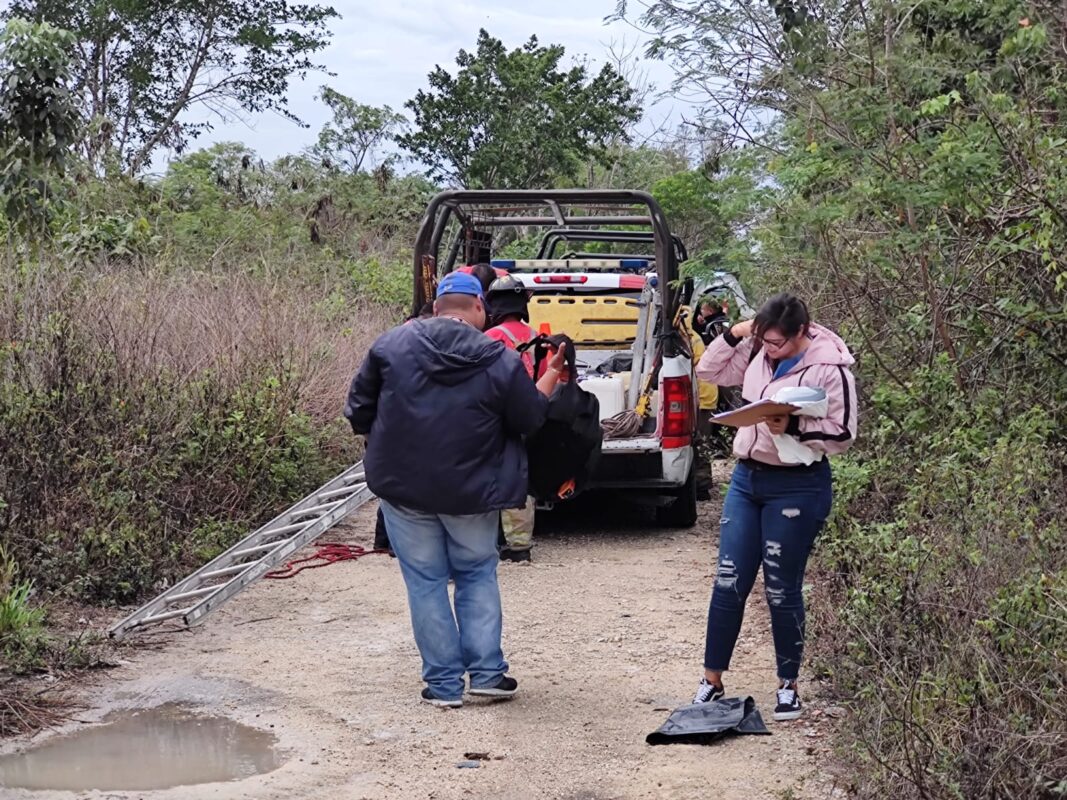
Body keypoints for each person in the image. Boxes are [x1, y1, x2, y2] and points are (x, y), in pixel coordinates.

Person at [344, 271, 566, 708]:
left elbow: (357, 411)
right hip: (472, 491)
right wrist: (550, 380)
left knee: (425, 582)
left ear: (436, 308)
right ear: (480, 308)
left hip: (404, 490)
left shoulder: (390, 346)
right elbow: (528, 420)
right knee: (476, 573)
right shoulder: (497, 358)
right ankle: (486, 675)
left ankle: (444, 686)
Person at [691, 293, 857, 721]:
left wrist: (795, 425)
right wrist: (735, 334)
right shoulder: (756, 349)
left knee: (782, 587)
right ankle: (711, 681)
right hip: (748, 479)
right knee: (729, 580)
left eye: (778, 343)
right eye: (764, 341)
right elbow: (707, 371)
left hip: (797, 485)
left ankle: (788, 685)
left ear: (801, 332)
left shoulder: (830, 365)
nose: (769, 350)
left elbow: (843, 433)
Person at [482, 274, 543, 563]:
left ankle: (495, 540)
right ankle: (520, 544)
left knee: (494, 477)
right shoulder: (536, 337)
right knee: (522, 478)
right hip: (529, 414)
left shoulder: (490, 337)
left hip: (496, 418)